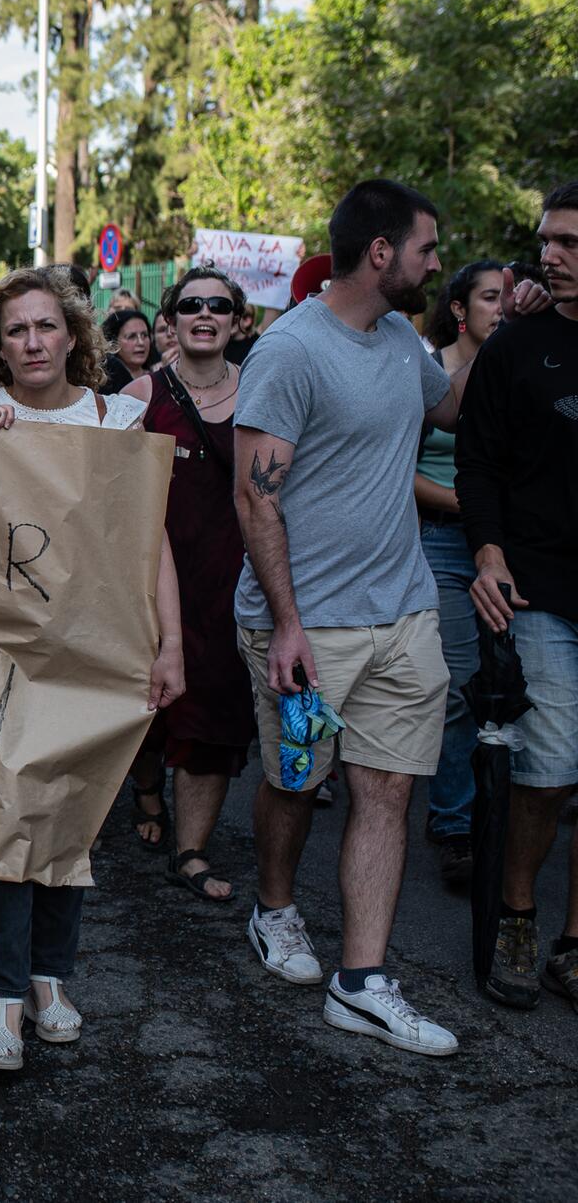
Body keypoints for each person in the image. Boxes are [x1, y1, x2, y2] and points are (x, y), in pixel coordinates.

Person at [232, 179, 474, 1058]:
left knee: (386, 788)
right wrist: (288, 625)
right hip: (308, 625)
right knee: (297, 779)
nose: (437, 263)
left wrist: (494, 332)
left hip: (403, 611)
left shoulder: (404, 336)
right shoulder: (291, 352)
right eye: (426, 249)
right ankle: (275, 909)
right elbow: (255, 501)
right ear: (382, 253)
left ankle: (362, 982)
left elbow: (447, 407)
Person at [0, 268, 185, 1072]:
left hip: (95, 647)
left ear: (74, 335)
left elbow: (151, 541)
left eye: (46, 326)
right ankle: (3, 996)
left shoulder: (116, 420)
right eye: (15, 330)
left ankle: (51, 977)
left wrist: (171, 644)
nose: (33, 342)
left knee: (68, 811)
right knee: (3, 811)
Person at [456, 180, 578, 1013]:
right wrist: (488, 551)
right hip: (537, 589)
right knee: (551, 764)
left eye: (568, 242)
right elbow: (477, 459)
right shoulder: (516, 342)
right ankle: (519, 914)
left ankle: (574, 945)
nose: (548, 255)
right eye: (547, 240)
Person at [118, 269, 256, 902]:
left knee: (216, 708)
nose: (206, 313)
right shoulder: (141, 393)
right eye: (191, 304)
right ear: (170, 320)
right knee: (147, 704)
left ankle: (191, 849)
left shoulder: (261, 392)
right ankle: (147, 791)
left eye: (219, 306)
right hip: (151, 576)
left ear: (238, 321)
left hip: (234, 575)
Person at [415, 260, 507, 887]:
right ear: (459, 308)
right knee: (457, 685)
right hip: (442, 541)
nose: (501, 307)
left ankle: (498, 816)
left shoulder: (528, 362)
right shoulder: (431, 368)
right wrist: (465, 506)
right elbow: (400, 464)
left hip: (510, 547)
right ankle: (452, 823)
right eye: (489, 297)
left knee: (507, 690)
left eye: (508, 297)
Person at [100, 306, 156, 393]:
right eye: (131, 336)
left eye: (144, 335)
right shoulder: (102, 383)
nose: (141, 342)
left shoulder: (158, 377)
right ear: (113, 342)